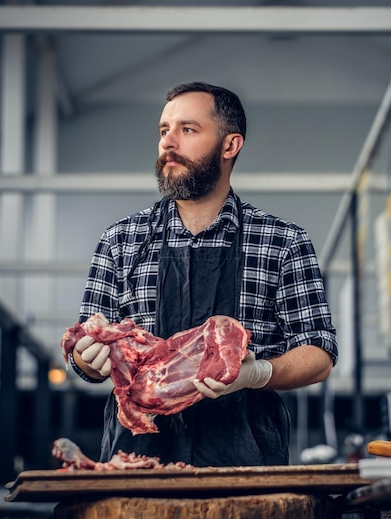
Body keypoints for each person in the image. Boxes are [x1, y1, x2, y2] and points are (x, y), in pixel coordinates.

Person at [66, 81, 338, 467]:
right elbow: (86, 346)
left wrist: (258, 373)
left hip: (245, 455)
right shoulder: (120, 240)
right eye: (164, 131)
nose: (168, 142)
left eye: (187, 129)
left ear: (230, 146)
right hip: (138, 454)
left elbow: (320, 352)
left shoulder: (283, 241)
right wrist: (86, 360)